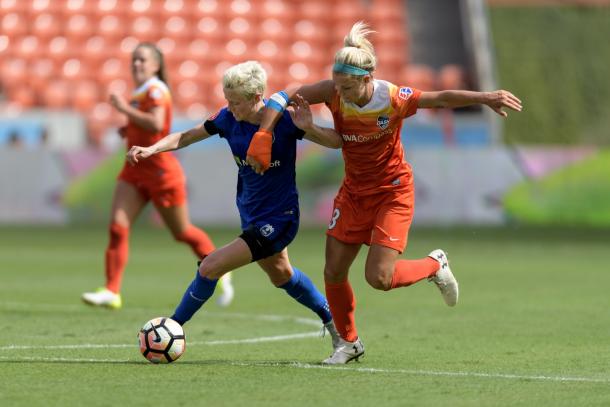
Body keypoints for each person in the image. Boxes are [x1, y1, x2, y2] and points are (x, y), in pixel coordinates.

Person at [246, 22, 523, 364]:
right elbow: (281, 97)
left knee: (379, 278)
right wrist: (265, 134)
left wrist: (486, 97)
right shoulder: (333, 91)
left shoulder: (393, 98)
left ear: (367, 79)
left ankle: (434, 265)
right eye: (336, 85)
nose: (339, 93)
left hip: (392, 192)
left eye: (346, 87)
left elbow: (442, 99)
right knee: (333, 270)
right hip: (354, 192)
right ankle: (348, 343)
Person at [125, 61, 343, 346]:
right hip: (251, 213)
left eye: (236, 102)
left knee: (210, 266)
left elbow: (336, 141)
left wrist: (310, 128)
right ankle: (337, 326)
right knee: (282, 276)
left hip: (279, 219)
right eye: (227, 100)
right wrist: (152, 149)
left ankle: (169, 330)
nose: (231, 107)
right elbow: (187, 136)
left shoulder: (285, 121)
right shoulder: (228, 118)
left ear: (256, 98)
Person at [82, 42, 234, 309]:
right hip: (134, 169)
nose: (136, 64)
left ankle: (220, 266)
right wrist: (128, 129)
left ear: (155, 65)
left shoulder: (156, 90)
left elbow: (155, 123)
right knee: (118, 227)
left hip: (161, 171)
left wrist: (123, 109)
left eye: (142, 60)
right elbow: (146, 125)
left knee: (182, 231)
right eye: (134, 60)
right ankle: (111, 290)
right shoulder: (142, 91)